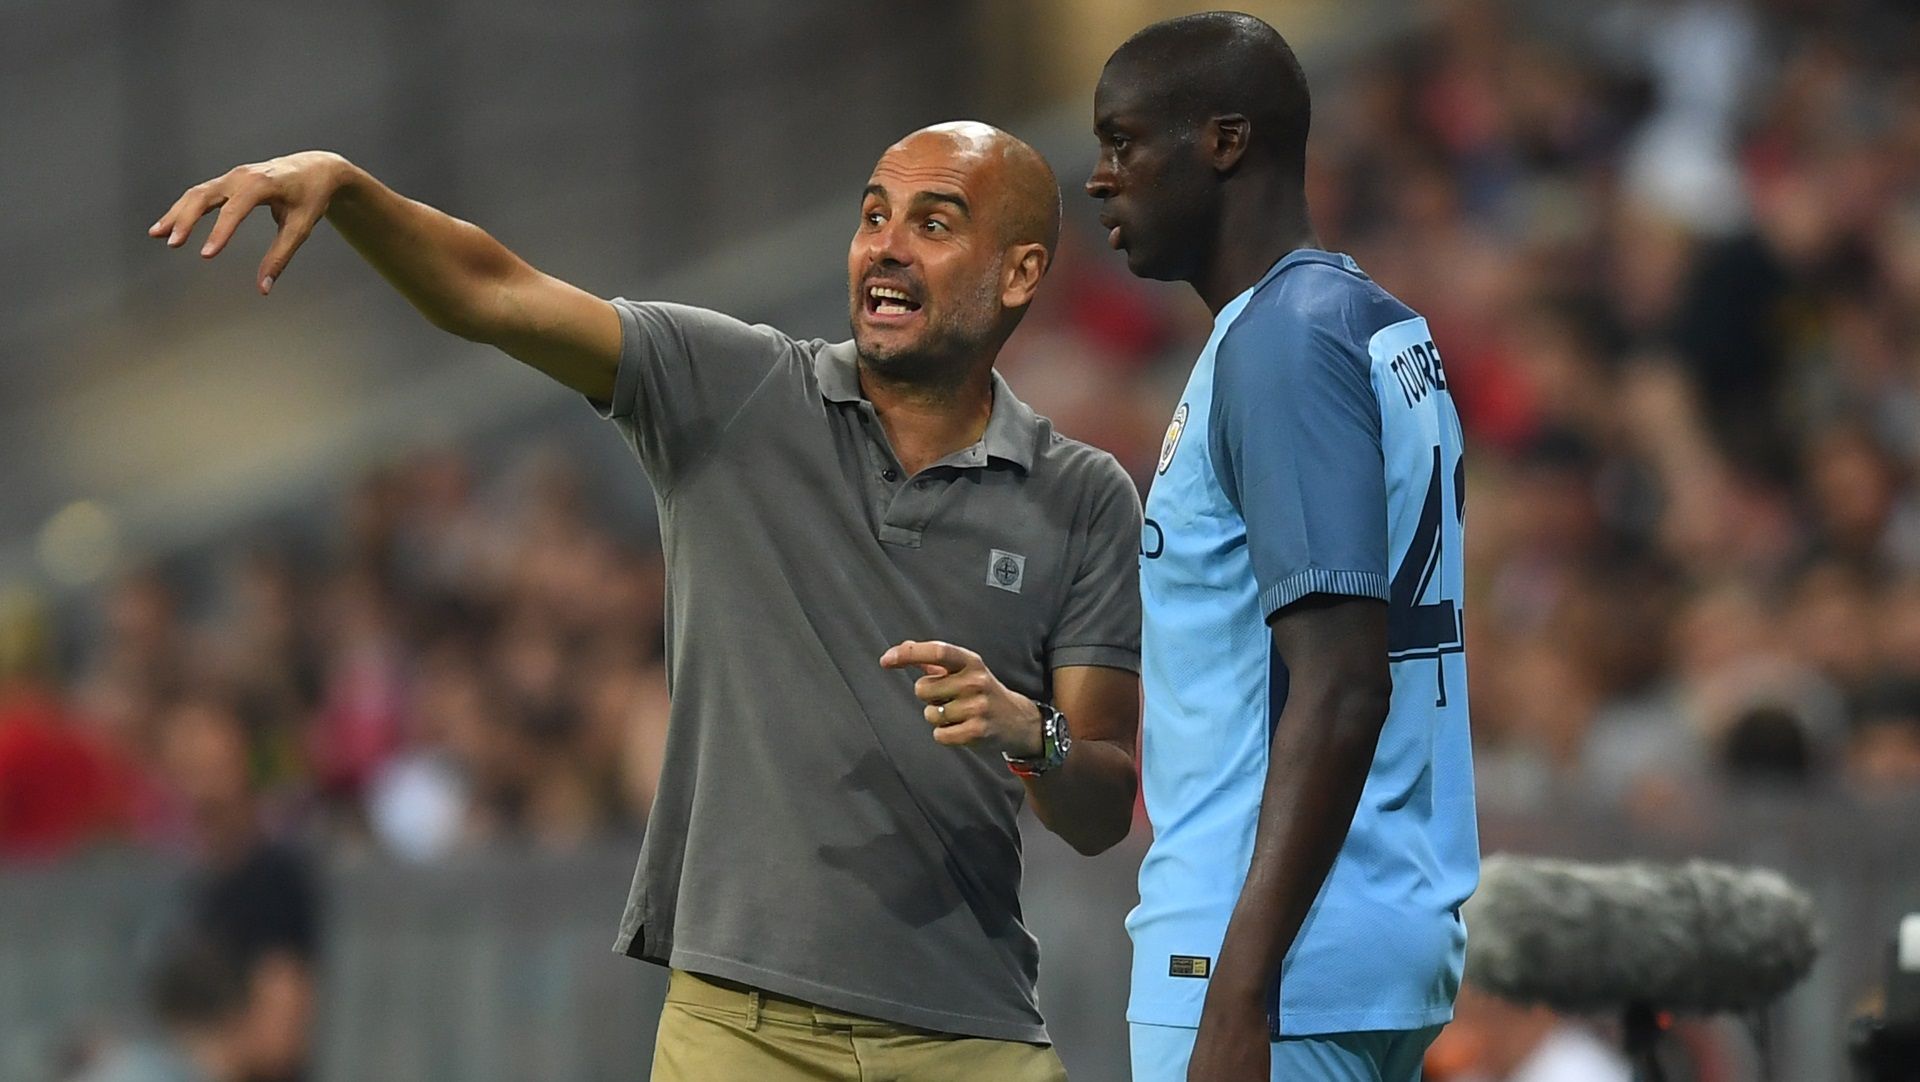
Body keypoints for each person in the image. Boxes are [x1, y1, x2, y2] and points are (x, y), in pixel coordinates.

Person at [150, 120, 1143, 1081]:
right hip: (744, 1030)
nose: (884, 247)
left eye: (931, 224)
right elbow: (493, 292)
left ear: (1019, 271)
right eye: (872, 215)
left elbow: (1097, 799)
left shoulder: (1083, 495)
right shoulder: (736, 390)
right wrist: (353, 191)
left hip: (972, 1028)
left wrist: (1030, 728)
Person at [1086, 13, 1478, 1082]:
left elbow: (1344, 681)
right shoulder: (1373, 323)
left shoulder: (1284, 342)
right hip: (1368, 933)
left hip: (1269, 959)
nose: (1099, 179)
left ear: (1223, 140)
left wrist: (1238, 988)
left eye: (1123, 143)